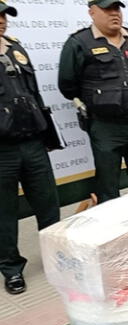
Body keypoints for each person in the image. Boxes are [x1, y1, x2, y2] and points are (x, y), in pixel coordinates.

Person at [59, 0, 128, 204]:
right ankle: (113, 232)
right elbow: (67, 85)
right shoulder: (79, 42)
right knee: (108, 186)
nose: (114, 14)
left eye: (117, 8)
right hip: (105, 127)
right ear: (92, 12)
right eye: (107, 9)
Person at [0, 2, 60, 294]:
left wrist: (47, 134)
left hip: (32, 142)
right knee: (4, 213)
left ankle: (56, 259)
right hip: (2, 150)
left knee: (48, 203)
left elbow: (33, 92)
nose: (1, 22)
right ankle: (11, 269)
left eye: (3, 16)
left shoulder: (15, 48)